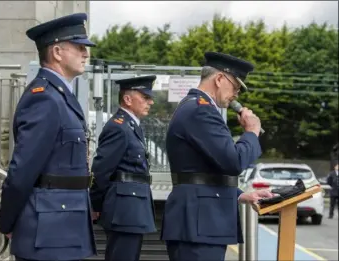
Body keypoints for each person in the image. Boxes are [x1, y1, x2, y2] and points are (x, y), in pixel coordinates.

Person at [0, 13, 97, 261]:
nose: (86, 54)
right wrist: (7, 222)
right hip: (48, 233)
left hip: (62, 228)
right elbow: (22, 171)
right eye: (79, 47)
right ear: (57, 52)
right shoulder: (45, 98)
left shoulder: (60, 96)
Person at [161, 51, 274, 261]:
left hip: (200, 222)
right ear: (220, 78)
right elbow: (233, 162)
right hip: (199, 224)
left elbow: (205, 170)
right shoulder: (200, 110)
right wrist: (252, 132)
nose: (236, 94)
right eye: (236, 86)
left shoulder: (196, 108)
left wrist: (239, 195)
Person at [90, 75, 157, 261]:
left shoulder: (131, 125)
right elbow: (101, 169)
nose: (150, 102)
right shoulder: (118, 127)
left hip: (131, 208)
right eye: (144, 97)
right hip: (124, 209)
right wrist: (95, 204)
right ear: (127, 99)